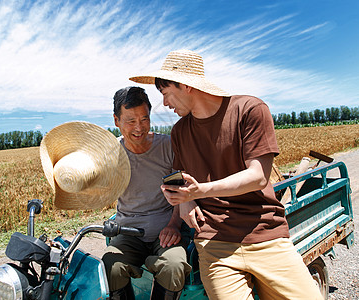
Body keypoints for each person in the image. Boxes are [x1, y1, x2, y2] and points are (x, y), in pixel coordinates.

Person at [129, 50, 323, 300]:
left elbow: (257, 176)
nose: (165, 104)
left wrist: (200, 191)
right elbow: (180, 175)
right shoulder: (180, 131)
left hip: (265, 234)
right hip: (214, 243)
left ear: (186, 86)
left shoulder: (249, 109)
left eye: (166, 94)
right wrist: (185, 201)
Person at [102, 86, 191, 300]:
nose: (139, 127)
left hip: (166, 232)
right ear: (117, 121)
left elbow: (180, 191)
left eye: (144, 119)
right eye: (130, 120)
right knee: (109, 267)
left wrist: (174, 225)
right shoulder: (111, 153)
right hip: (127, 232)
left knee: (174, 266)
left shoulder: (168, 146)